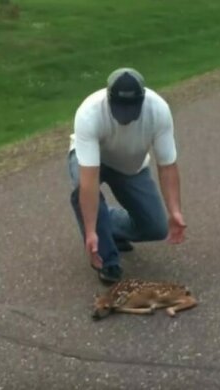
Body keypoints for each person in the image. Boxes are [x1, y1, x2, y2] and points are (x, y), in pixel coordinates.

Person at [67, 67, 186, 284]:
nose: (125, 118)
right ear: (108, 97)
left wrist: (175, 211)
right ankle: (108, 260)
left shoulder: (158, 110)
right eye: (120, 109)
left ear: (142, 100)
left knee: (156, 227)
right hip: (94, 161)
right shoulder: (89, 113)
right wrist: (91, 231)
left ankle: (111, 227)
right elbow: (89, 179)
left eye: (131, 110)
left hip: (131, 166)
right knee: (82, 190)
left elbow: (167, 165)